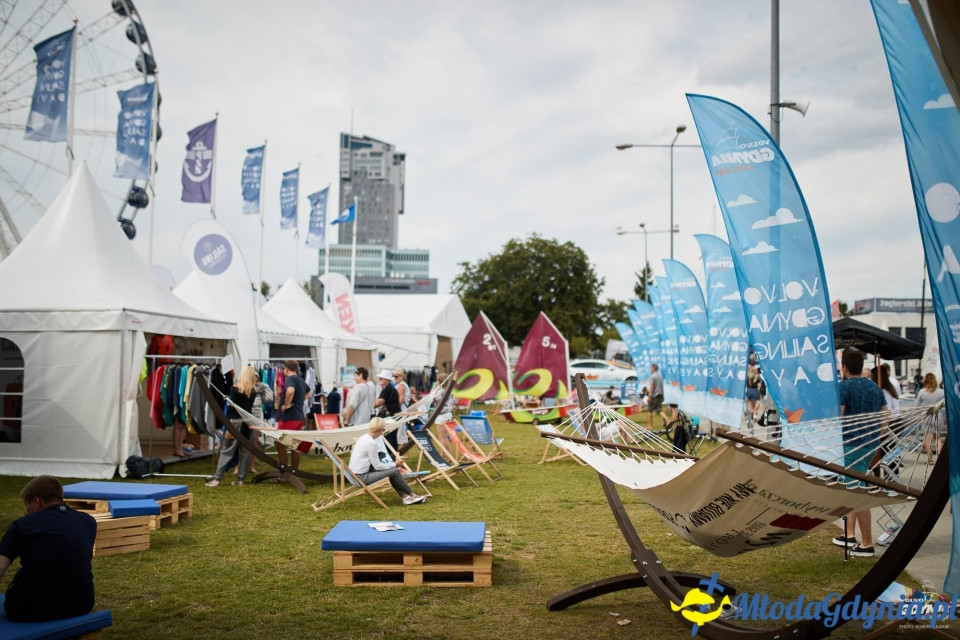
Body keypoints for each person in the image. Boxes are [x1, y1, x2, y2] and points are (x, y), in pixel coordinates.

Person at [0, 476, 97, 622]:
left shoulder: (23, 525)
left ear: (36, 501)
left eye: (26, 505)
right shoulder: (88, 521)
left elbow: (1, 566)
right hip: (81, 604)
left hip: (27, 609)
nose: (25, 511)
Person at [833, 348, 888, 558]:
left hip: (850, 445)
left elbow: (839, 416)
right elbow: (886, 415)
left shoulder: (844, 387)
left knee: (857, 492)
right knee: (855, 487)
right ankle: (849, 535)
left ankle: (867, 543)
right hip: (871, 445)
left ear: (844, 367)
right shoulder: (875, 387)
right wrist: (877, 436)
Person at [347, 417, 426, 505]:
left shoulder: (364, 438)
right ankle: (412, 495)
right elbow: (377, 466)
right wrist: (395, 464)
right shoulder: (371, 443)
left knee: (391, 472)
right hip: (361, 477)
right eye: (383, 429)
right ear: (380, 430)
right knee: (394, 471)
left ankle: (406, 497)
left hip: (353, 475)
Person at [207, 366, 258, 487]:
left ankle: (217, 479)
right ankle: (240, 479)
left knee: (227, 450)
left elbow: (231, 407)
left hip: (235, 423)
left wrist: (228, 401)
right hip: (248, 423)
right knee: (245, 452)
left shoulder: (234, 390)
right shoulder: (253, 391)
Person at [275, 359, 310, 471]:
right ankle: (294, 471)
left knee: (280, 443)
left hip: (289, 417)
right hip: (299, 417)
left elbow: (290, 391)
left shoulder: (290, 379)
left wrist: (286, 405)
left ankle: (284, 472)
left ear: (286, 369)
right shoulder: (300, 380)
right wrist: (300, 400)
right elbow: (309, 392)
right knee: (295, 445)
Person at [916, 372, 946, 464]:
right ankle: (940, 458)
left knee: (927, 438)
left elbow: (917, 406)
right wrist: (945, 417)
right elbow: (945, 405)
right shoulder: (941, 392)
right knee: (938, 438)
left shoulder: (922, 391)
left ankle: (930, 459)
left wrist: (917, 416)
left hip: (927, 417)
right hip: (938, 416)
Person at [647, 364, 666, 431]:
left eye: (650, 368)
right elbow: (662, 387)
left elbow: (652, 386)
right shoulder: (660, 376)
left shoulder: (652, 377)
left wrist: (649, 396)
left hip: (654, 395)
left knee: (649, 410)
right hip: (660, 395)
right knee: (659, 410)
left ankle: (650, 426)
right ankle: (667, 420)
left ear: (653, 368)